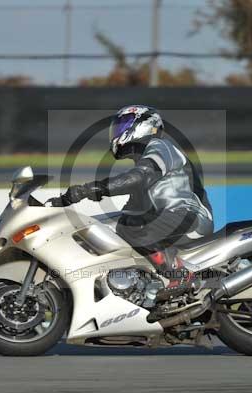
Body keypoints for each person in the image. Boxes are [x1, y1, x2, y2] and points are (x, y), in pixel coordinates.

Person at [47, 105, 214, 297]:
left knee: (132, 228)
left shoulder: (160, 146)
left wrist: (89, 190)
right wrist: (65, 202)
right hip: (173, 218)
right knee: (124, 226)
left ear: (144, 124)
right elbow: (130, 208)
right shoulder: (148, 163)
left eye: (123, 125)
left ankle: (180, 275)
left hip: (187, 215)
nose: (117, 132)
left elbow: (139, 177)